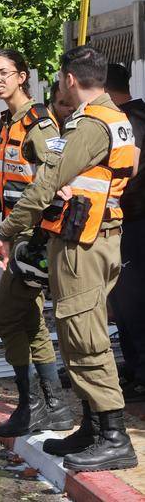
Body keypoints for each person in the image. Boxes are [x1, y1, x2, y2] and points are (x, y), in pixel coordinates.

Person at [0, 46, 138, 472]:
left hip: (83, 244)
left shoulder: (90, 124)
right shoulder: (114, 119)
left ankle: (113, 437)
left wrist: (3, 234)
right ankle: (92, 428)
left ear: (69, 79)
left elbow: (47, 182)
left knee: (86, 340)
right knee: (76, 334)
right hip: (88, 238)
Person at [0, 49, 71, 438]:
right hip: (18, 232)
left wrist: (21, 237)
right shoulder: (8, 121)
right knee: (29, 320)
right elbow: (7, 166)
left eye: (5, 73)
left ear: (22, 76)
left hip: (34, 236)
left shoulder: (39, 123)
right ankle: (54, 408)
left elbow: (53, 181)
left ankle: (33, 406)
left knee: (5, 317)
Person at [104, 63, 145, 402]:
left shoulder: (131, 120)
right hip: (128, 220)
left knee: (131, 302)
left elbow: (126, 170)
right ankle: (133, 369)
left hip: (134, 221)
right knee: (122, 300)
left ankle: (142, 372)